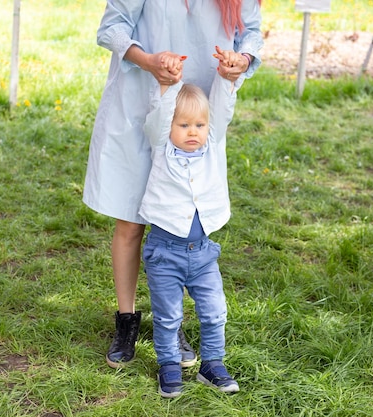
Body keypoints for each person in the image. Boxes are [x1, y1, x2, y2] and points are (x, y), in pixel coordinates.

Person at [83, 0, 263, 369]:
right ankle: (126, 320)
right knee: (130, 219)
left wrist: (242, 61)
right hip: (138, 103)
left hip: (195, 112)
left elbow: (252, 33)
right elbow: (113, 28)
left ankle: (171, 321)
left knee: (180, 224)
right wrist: (149, 61)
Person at [140, 47, 246, 398]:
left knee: (215, 312)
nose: (192, 132)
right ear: (170, 126)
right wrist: (170, 84)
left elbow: (220, 110)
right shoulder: (162, 147)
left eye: (199, 125)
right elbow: (161, 115)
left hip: (203, 254)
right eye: (183, 125)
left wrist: (226, 77)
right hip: (164, 254)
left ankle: (213, 365)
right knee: (168, 316)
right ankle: (169, 366)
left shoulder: (212, 146)